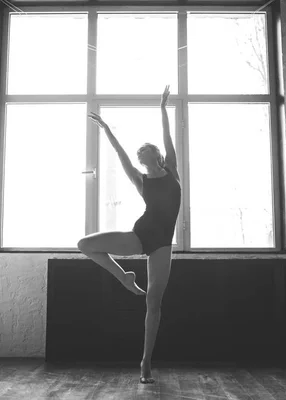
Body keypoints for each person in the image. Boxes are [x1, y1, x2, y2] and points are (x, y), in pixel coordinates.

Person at [77, 85, 181, 384]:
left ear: (157, 155)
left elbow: (167, 137)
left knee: (154, 303)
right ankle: (124, 277)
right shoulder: (140, 180)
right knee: (85, 244)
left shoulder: (172, 170)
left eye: (144, 150)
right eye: (139, 153)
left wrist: (163, 108)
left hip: (161, 244)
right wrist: (107, 129)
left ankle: (145, 363)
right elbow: (120, 152)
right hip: (139, 234)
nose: (139, 153)